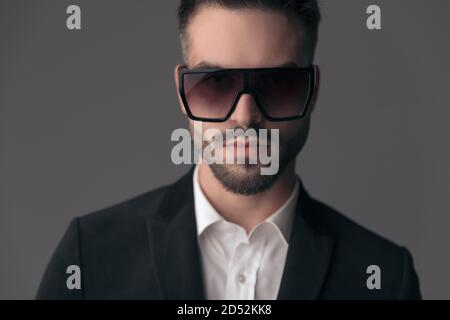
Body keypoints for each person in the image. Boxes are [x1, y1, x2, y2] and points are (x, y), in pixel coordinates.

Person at [37, 0, 421, 299]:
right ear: (181, 90)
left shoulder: (385, 277)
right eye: (216, 82)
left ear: (313, 90)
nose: (245, 115)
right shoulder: (89, 257)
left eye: (277, 84)